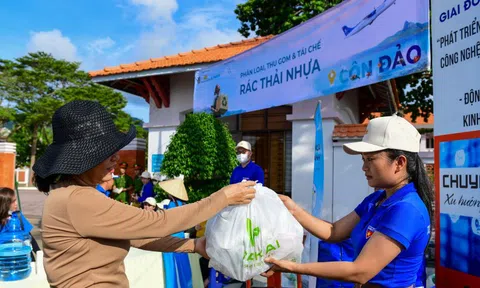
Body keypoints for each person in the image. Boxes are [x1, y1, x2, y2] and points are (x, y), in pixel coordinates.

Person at [32, 100, 256, 288]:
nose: (116, 158)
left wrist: (194, 246)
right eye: (106, 152)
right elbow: (158, 222)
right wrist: (222, 197)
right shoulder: (77, 199)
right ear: (82, 158)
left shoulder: (71, 194)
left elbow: (134, 235)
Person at [263, 115, 433, 288]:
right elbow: (334, 231)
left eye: (371, 159)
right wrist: (292, 209)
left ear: (399, 163)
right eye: (363, 159)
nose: (364, 167)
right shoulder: (377, 199)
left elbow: (359, 271)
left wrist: (291, 266)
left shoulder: (407, 209)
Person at [158, 178, 194, 288]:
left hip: (170, 237)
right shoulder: (182, 204)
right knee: (184, 267)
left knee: (171, 270)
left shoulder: (171, 205)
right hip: (181, 237)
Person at [0, 187, 40, 261]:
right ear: (5, 204)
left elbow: (29, 236)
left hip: (23, 258)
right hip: (5, 262)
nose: (16, 204)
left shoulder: (18, 216)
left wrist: (39, 252)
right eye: (13, 201)